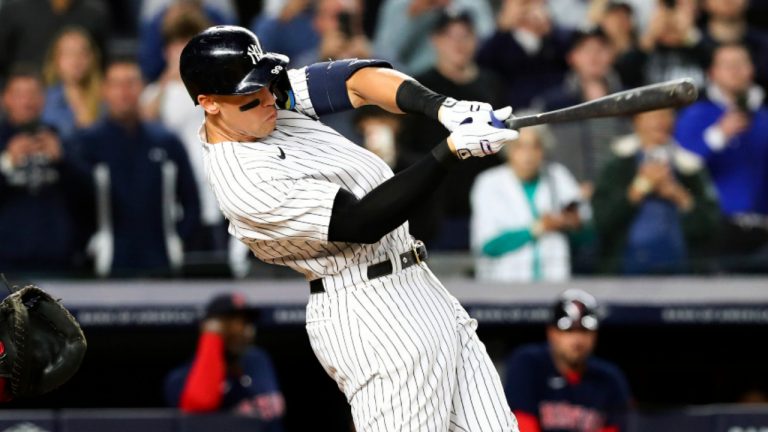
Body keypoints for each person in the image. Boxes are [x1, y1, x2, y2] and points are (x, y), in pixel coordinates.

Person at [180, 25, 520, 431]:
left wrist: (444, 108)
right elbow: (360, 222)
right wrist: (449, 150)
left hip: (421, 286)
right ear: (209, 103)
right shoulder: (243, 182)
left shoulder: (262, 100)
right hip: (368, 311)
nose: (271, 100)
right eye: (253, 98)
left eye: (268, 86)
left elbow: (355, 80)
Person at [73, 58, 201, 277]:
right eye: (116, 84)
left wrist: (176, 241)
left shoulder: (166, 141)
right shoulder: (86, 144)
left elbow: (191, 201)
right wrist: (90, 245)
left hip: (161, 263)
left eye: (131, 83)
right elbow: (75, 204)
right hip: (106, 266)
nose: (124, 91)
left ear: (142, 87)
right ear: (104, 90)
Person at [398, 9, 503, 249]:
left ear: (476, 39)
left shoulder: (491, 84)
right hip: (434, 208)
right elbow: (405, 148)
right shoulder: (419, 87)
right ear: (435, 40)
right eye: (450, 36)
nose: (458, 44)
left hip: (485, 204)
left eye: (465, 35)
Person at [674, 43, 768, 272]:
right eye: (728, 65)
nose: (735, 70)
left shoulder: (763, 117)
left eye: (741, 63)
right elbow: (682, 167)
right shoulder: (695, 115)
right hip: (715, 231)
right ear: (712, 73)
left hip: (762, 228)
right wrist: (718, 135)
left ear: (751, 70)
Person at [592, 109, 719, 274]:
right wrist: (639, 188)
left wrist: (678, 195)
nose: (660, 121)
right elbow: (602, 220)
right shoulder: (618, 164)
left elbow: (711, 225)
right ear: (637, 120)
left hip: (681, 272)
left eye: (666, 115)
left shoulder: (690, 167)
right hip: (625, 272)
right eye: (652, 115)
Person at [0, 66, 90, 274]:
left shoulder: (63, 140)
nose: (27, 101)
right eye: (19, 94)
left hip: (58, 260)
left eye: (33, 94)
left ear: (43, 99)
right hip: (6, 263)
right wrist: (6, 163)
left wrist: (62, 161)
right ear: (6, 99)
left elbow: (90, 196)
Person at [504, 289, 631, 432]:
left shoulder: (610, 379)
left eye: (584, 331)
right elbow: (522, 426)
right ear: (552, 333)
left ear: (595, 335)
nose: (577, 340)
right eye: (569, 331)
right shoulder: (528, 364)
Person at [471, 126, 582, 282]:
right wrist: (538, 228)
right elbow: (488, 245)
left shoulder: (558, 176)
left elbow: (584, 226)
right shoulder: (489, 183)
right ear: (508, 150)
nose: (528, 155)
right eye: (520, 147)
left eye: (535, 147)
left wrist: (568, 222)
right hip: (502, 284)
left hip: (555, 280)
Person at [534, 28, 630, 202]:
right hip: (572, 197)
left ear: (612, 55)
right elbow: (543, 153)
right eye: (586, 50)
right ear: (572, 57)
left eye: (600, 49)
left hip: (623, 196)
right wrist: (570, 188)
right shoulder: (553, 104)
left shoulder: (629, 99)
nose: (594, 57)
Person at [165, 292, 284, 429]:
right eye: (231, 322)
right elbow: (200, 405)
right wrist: (212, 339)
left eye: (246, 322)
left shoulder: (258, 360)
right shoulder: (180, 379)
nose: (243, 330)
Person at [476, 0, 571, 109]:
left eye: (533, 3)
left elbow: (574, 55)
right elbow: (480, 65)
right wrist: (501, 29)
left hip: (555, 110)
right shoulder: (501, 41)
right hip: (514, 113)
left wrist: (549, 30)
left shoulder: (554, 37)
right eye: (523, 3)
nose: (528, 10)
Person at [373, 0, 494, 75]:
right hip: (414, 81)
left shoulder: (472, 4)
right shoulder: (398, 5)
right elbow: (384, 57)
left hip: (462, 79)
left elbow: (490, 46)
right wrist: (411, 17)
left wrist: (454, 8)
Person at [0, 0, 108, 80]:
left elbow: (102, 61)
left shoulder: (93, 14)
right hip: (24, 98)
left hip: (82, 97)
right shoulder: (14, 10)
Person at [41, 27, 103, 138]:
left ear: (92, 58)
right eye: (69, 53)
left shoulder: (107, 98)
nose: (76, 59)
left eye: (83, 53)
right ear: (55, 59)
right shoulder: (43, 101)